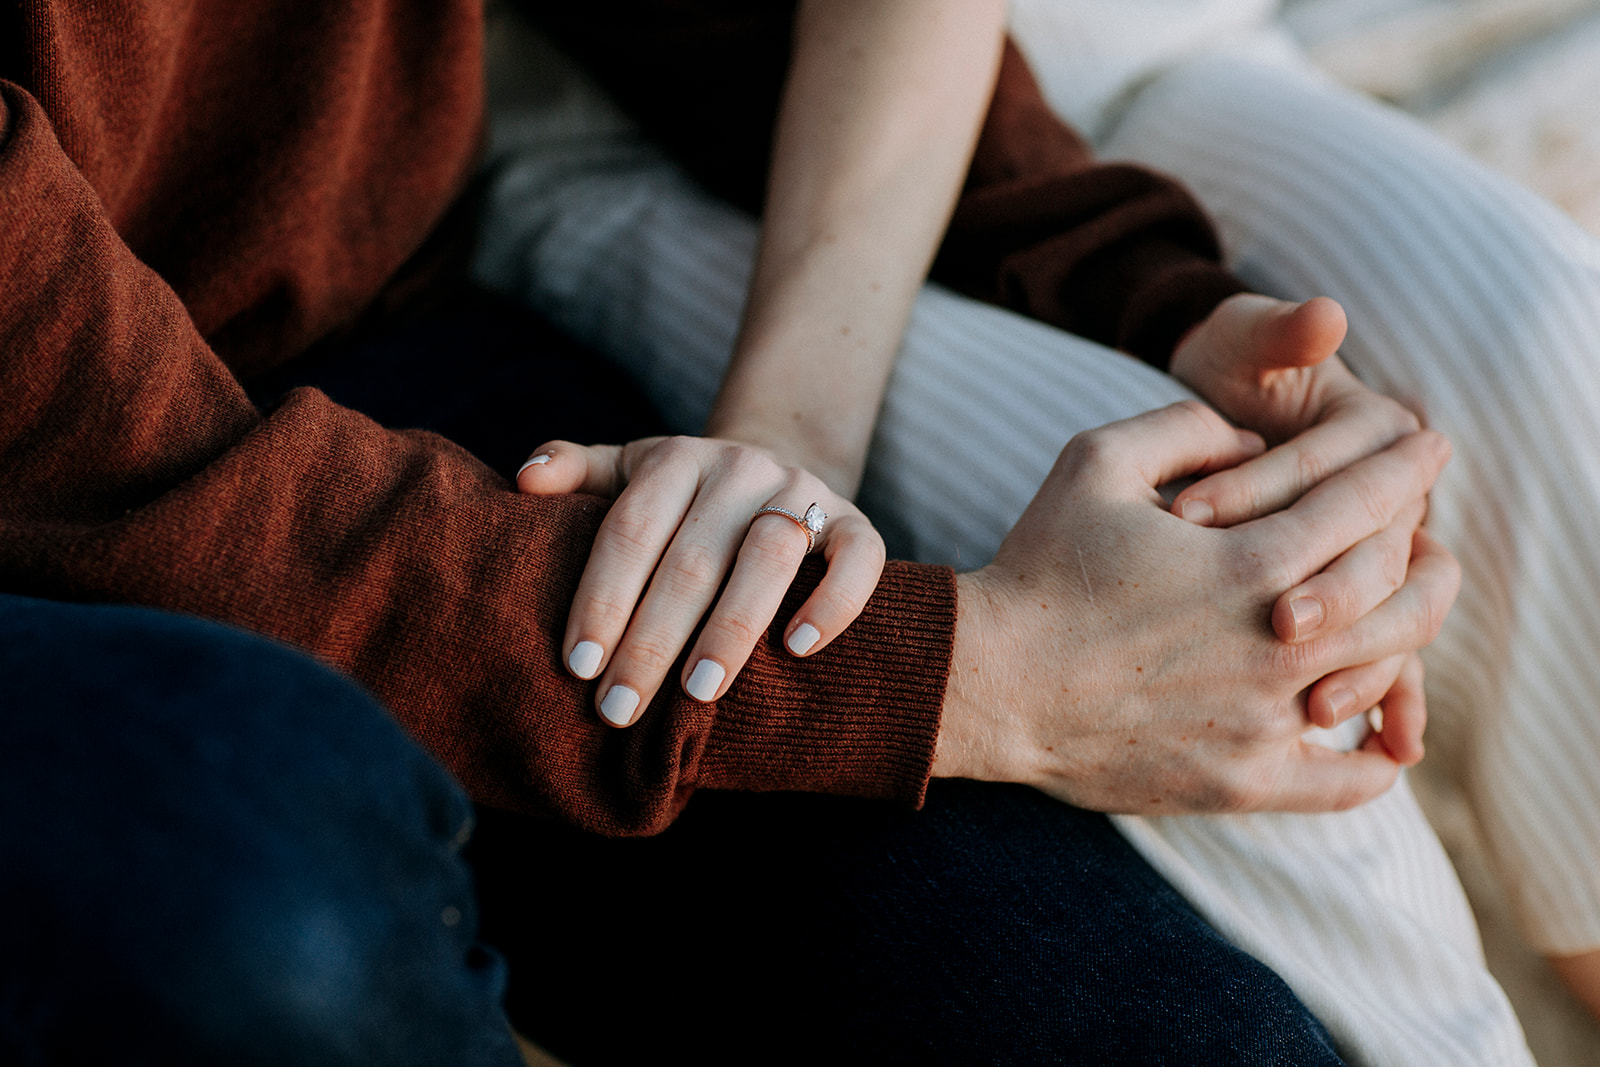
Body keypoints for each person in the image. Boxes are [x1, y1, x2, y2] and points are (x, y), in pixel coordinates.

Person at [0, 0, 1461, 1062]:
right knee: (276, 941)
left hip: (373, 341)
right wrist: (983, 674)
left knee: (1170, 1039)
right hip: (68, 510)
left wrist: (1124, 279)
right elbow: (108, 471)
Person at [477, 0, 1598, 1061]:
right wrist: (794, 441)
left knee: (1553, 353)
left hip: (1124, 47)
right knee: (1240, 604)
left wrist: (1170, 295)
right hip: (651, 119)